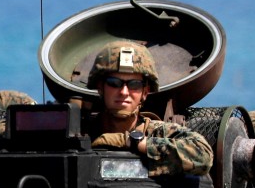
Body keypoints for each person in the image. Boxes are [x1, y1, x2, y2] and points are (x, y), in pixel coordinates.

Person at [84, 40, 213, 177]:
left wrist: (130, 141)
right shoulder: (81, 131)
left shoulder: (159, 133)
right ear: (100, 87)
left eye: (134, 84)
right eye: (114, 83)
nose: (124, 92)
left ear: (144, 92)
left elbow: (203, 156)